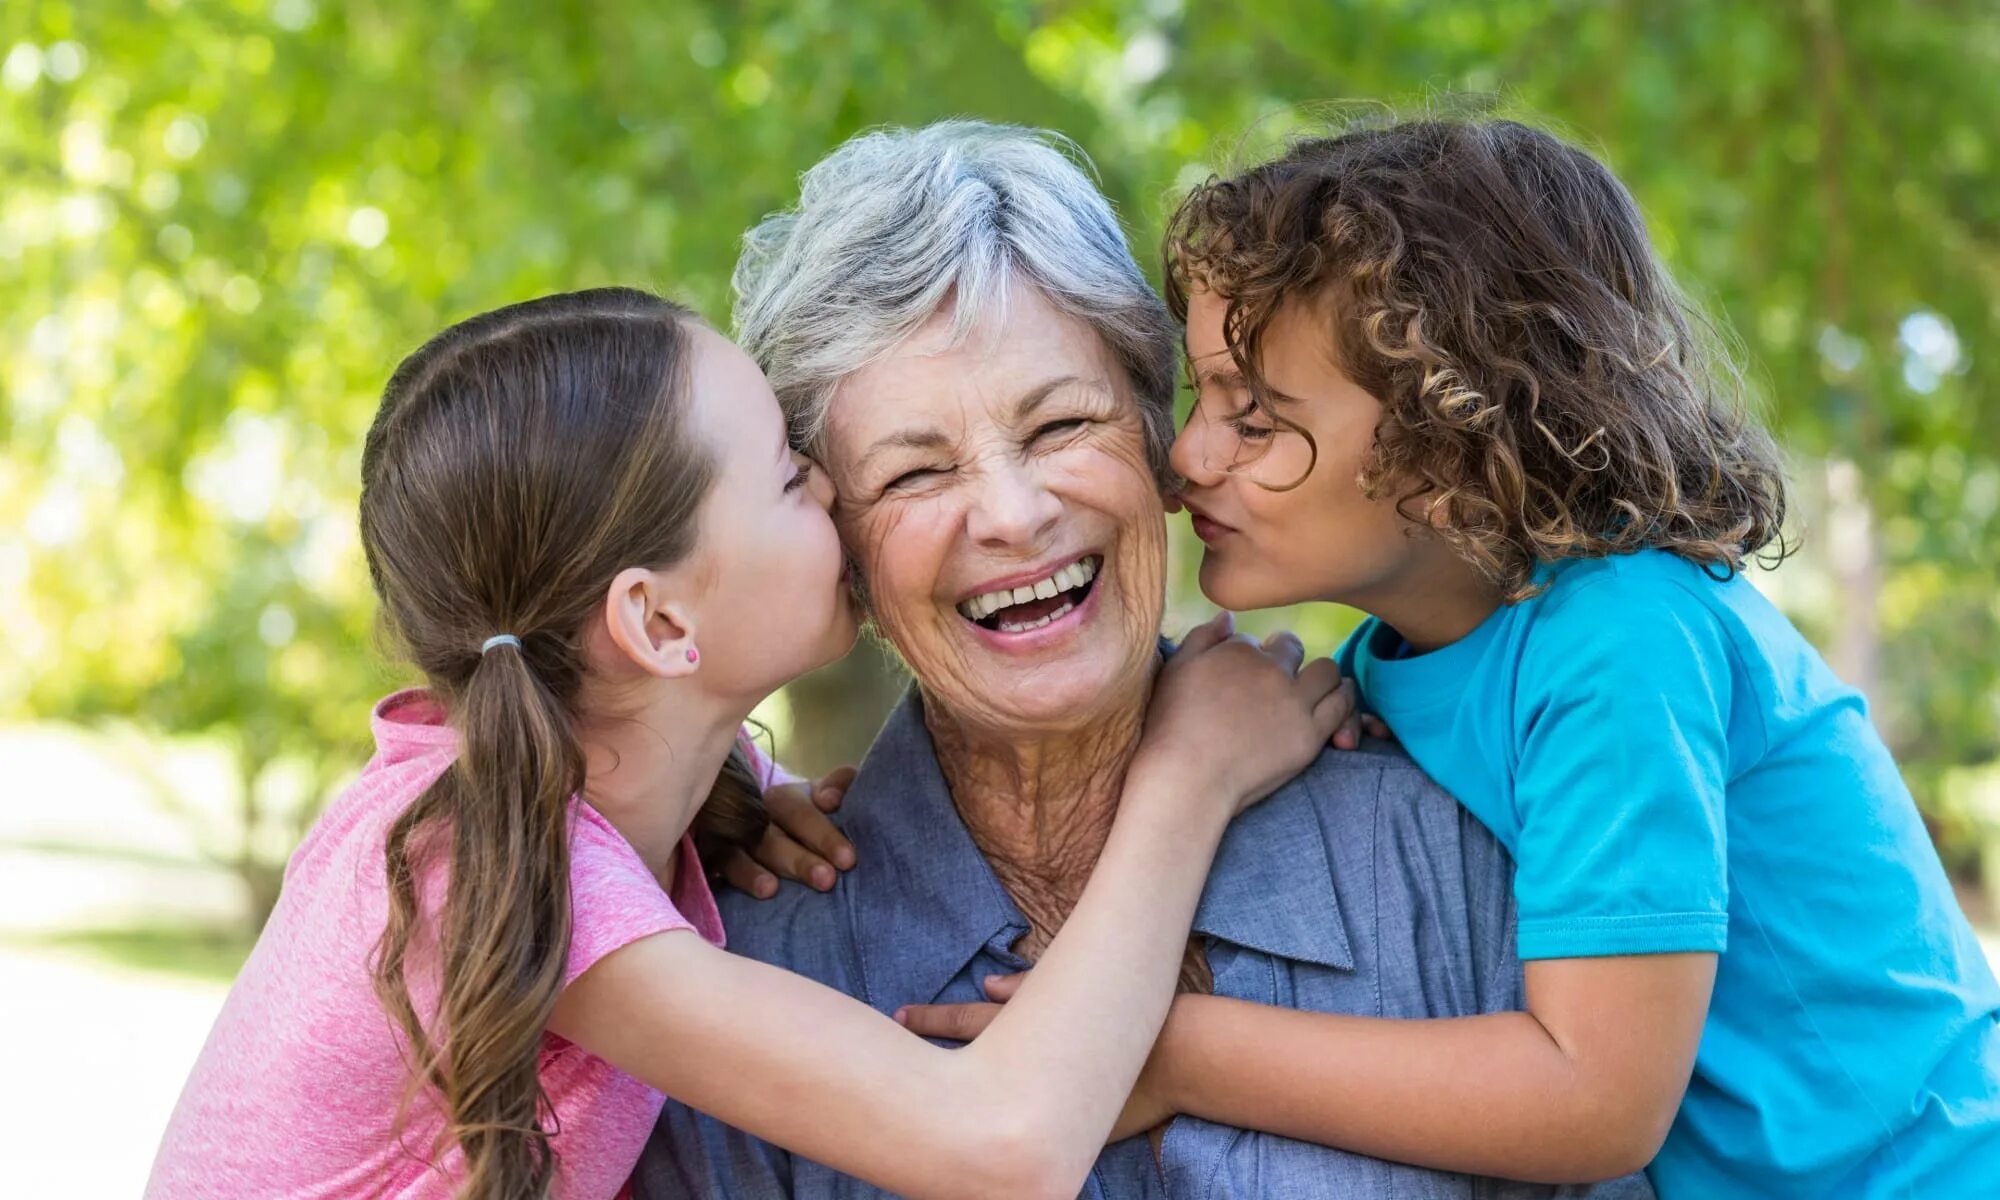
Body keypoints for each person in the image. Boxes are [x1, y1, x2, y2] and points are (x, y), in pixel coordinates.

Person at [144, 287, 1352, 1200]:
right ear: (659, 622)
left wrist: (736, 794)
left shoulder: (564, 810)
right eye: (787, 478)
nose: (834, 493)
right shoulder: (499, 871)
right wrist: (1187, 779)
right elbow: (1002, 1145)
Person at [639, 121, 1648, 1199]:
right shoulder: (739, 969)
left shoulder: (1447, 845)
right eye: (914, 475)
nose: (1015, 515)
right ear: (834, 546)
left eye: (1061, 424)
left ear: (1159, 439)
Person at [1116, 116, 1999, 1195]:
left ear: (1452, 445)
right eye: (1199, 398)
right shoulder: (1390, 657)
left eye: (1251, 417)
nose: (1183, 456)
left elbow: (1592, 1101)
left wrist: (1173, 1053)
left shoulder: (1620, 635)